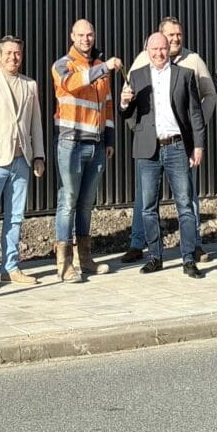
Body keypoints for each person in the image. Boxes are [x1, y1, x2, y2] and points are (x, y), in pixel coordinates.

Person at [127, 17, 216, 266]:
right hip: (150, 144)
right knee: (145, 199)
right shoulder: (143, 60)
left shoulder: (192, 61)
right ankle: (139, 245)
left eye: (178, 34)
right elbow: (129, 99)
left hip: (180, 144)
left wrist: (195, 132)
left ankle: (193, 247)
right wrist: (139, 128)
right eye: (170, 34)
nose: (175, 38)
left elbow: (208, 96)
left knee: (186, 199)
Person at [0, 35, 46, 289]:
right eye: (9, 53)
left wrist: (38, 155)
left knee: (15, 217)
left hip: (21, 160)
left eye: (18, 53)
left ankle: (10, 267)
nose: (14, 57)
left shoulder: (30, 85)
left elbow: (36, 123)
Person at [51, 19, 123, 283]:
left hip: (97, 144)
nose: (86, 39)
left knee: (85, 204)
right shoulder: (63, 65)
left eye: (89, 34)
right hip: (71, 143)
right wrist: (104, 67)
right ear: (72, 36)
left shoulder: (99, 66)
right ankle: (64, 264)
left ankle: (85, 259)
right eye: (81, 35)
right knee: (68, 201)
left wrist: (110, 139)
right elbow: (71, 84)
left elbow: (107, 104)